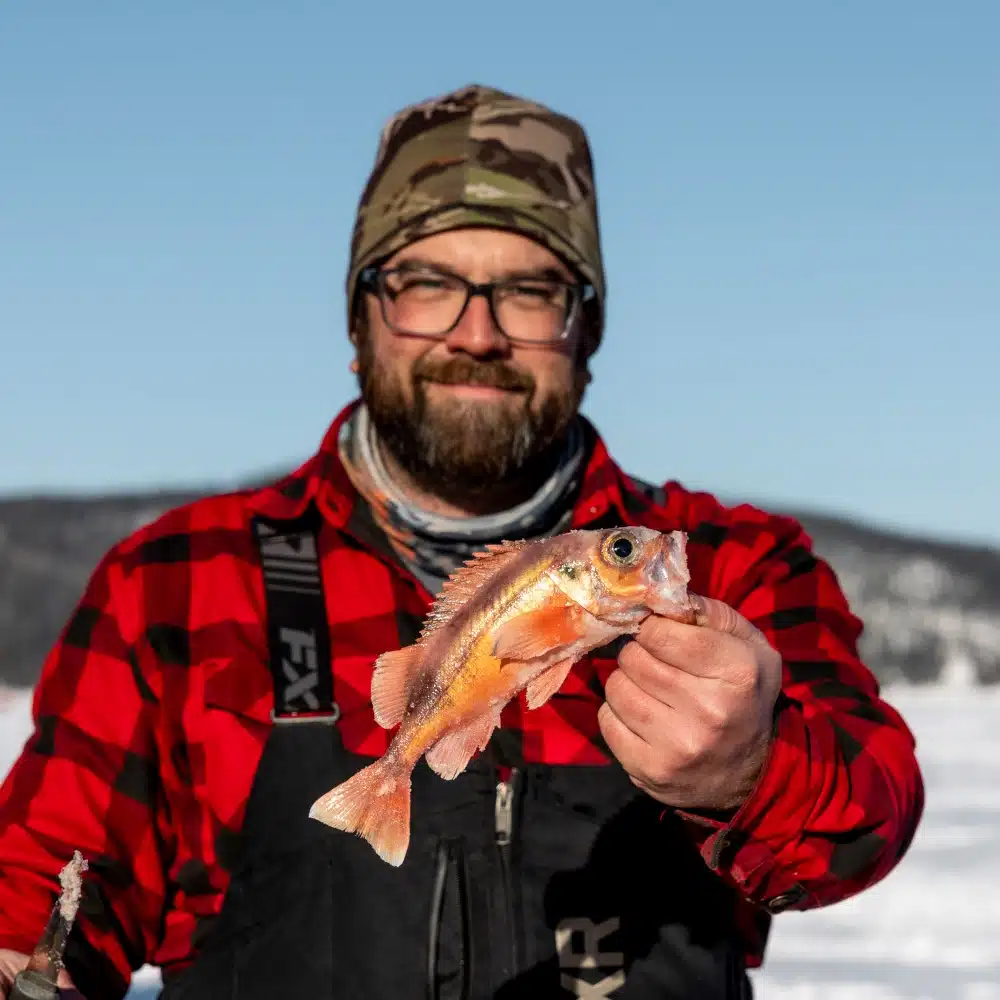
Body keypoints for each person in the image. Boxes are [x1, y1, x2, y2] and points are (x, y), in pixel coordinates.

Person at [0, 84, 924, 1000]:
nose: (476, 334)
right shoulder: (175, 583)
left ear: (586, 330)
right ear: (360, 322)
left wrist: (751, 768)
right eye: (427, 284)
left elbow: (873, 819)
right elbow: (42, 885)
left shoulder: (732, 562)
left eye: (529, 291)